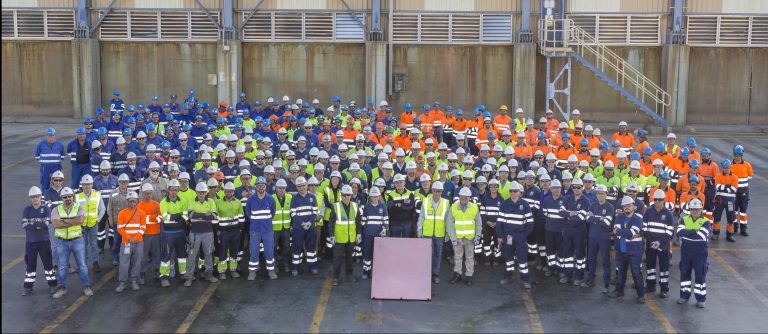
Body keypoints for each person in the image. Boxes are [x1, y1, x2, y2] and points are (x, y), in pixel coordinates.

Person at [51, 187, 93, 299]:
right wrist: (72, 221)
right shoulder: (56, 210)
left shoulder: (79, 207)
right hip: (62, 242)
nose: (68, 198)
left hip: (77, 241)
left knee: (82, 265)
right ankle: (62, 288)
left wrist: (63, 221)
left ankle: (86, 286)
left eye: (70, 196)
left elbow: (80, 221)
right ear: (61, 198)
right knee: (63, 266)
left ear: (72, 197)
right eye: (65, 197)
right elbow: (55, 224)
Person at [22, 186, 58, 296]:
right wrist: (39, 225)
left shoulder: (46, 209)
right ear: (30, 198)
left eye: (36, 196)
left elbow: (47, 223)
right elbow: (24, 225)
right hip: (30, 243)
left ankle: (53, 285)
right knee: (30, 265)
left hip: (44, 242)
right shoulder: (26, 210)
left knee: (48, 264)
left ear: (40, 197)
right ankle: (28, 287)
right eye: (32, 197)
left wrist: (33, 224)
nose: (35, 199)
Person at [497, 181, 534, 288]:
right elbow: (500, 222)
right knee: (508, 257)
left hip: (520, 235)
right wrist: (500, 235)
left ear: (519, 192)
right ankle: (507, 276)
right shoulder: (504, 204)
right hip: (508, 235)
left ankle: (525, 279)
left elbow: (530, 222)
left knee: (522, 258)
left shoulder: (525, 204)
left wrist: (524, 235)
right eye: (511, 191)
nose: (513, 193)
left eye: (515, 191)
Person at [610, 196, 645, 303]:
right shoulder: (619, 217)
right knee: (620, 272)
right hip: (621, 250)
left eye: (629, 205)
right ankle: (619, 291)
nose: (627, 208)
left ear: (634, 207)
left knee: (636, 273)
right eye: (625, 206)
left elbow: (630, 233)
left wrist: (623, 232)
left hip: (634, 251)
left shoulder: (638, 219)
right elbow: (616, 231)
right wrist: (628, 233)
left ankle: (641, 295)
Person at [676, 198, 710, 308]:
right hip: (686, 252)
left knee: (700, 275)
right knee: (684, 273)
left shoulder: (706, 222)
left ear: (701, 210)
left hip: (700, 253)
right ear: (690, 209)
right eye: (692, 209)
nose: (694, 211)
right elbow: (679, 232)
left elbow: (702, 235)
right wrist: (694, 231)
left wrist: (688, 233)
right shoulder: (684, 219)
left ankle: (701, 299)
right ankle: (684, 296)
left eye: (697, 209)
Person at [184, 182, 219, 286]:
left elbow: (214, 216)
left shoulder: (211, 201)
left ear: (206, 192)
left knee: (208, 253)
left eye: (203, 192)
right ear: (196, 192)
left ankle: (209, 274)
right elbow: (190, 215)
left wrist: (198, 215)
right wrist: (205, 214)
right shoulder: (191, 201)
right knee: (191, 255)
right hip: (195, 233)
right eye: (200, 192)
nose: (201, 194)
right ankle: (189, 277)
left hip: (208, 232)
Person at [446, 187, 482, 286]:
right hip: (458, 238)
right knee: (457, 257)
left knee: (470, 258)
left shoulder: (474, 207)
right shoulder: (453, 207)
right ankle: (457, 274)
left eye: (466, 197)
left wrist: (478, 236)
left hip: (470, 239)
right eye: (462, 196)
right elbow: (449, 223)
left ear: (469, 198)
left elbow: (478, 223)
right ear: (459, 196)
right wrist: (453, 238)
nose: (464, 198)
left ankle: (469, 276)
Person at [643, 189, 675, 298]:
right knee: (650, 266)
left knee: (664, 268)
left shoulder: (668, 214)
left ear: (664, 200)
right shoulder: (648, 212)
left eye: (660, 200)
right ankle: (651, 285)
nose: (657, 202)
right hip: (651, 245)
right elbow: (644, 228)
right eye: (655, 200)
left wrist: (659, 242)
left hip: (663, 246)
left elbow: (670, 232)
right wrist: (652, 242)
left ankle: (664, 288)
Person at [417, 181, 451, 284]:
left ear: (442, 192)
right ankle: (425, 273)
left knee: (437, 254)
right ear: (432, 191)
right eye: (435, 191)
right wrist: (419, 228)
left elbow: (448, 219)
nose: (437, 193)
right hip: (427, 232)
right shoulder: (426, 201)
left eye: (439, 191)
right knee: (426, 255)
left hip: (439, 234)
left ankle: (435, 274)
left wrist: (448, 232)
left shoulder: (446, 202)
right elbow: (422, 216)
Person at [245, 176, 278, 280]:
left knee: (269, 251)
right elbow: (248, 213)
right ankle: (252, 272)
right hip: (255, 230)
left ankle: (271, 270)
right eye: (259, 185)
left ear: (265, 186)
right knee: (254, 250)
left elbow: (272, 213)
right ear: (256, 187)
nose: (261, 187)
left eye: (262, 185)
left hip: (267, 229)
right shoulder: (250, 200)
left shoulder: (271, 199)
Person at [559, 177, 591, 285]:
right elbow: (560, 212)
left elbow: (581, 217)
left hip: (579, 230)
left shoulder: (585, 201)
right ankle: (568, 275)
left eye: (579, 187)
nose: (576, 189)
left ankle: (578, 276)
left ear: (582, 188)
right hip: (568, 229)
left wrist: (568, 214)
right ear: (572, 188)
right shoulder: (567, 198)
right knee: (567, 253)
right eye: (574, 187)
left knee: (580, 254)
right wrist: (571, 213)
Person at [158, 179, 189, 287]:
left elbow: (186, 216)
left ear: (178, 190)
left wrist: (174, 216)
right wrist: (178, 216)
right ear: (168, 190)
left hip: (180, 233)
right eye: (172, 190)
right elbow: (166, 219)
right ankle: (164, 276)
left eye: (176, 190)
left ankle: (183, 273)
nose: (174, 192)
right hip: (168, 234)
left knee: (182, 255)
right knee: (166, 255)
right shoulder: (163, 202)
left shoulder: (184, 201)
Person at [585, 184, 614, 292]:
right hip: (592, 237)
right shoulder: (592, 205)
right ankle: (591, 279)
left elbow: (607, 222)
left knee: (606, 261)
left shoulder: (610, 207)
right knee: (591, 259)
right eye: (598, 193)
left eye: (602, 193)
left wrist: (594, 217)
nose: (600, 195)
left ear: (606, 194)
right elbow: (587, 218)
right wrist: (600, 218)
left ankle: (606, 284)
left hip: (604, 239)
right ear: (596, 194)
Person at [115, 191, 146, 293]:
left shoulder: (141, 213)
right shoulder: (122, 213)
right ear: (127, 201)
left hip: (138, 242)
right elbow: (120, 228)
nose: (132, 203)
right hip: (126, 243)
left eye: (134, 201)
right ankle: (123, 282)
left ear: (137, 201)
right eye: (130, 201)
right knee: (124, 262)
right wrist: (129, 238)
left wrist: (135, 238)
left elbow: (143, 227)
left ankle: (134, 281)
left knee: (137, 262)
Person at [289, 176, 320, 276]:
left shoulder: (312, 197)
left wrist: (310, 223)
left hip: (311, 228)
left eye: (303, 185)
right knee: (297, 248)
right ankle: (295, 268)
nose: (301, 188)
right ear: (296, 187)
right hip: (298, 228)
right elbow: (293, 214)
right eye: (299, 186)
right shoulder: (294, 199)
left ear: (306, 185)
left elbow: (315, 212)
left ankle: (313, 267)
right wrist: (302, 223)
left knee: (311, 249)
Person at [75, 175, 105, 274]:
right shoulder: (77, 197)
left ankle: (95, 263)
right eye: (85, 184)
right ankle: (83, 264)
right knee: (82, 245)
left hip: (93, 224)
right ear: (82, 185)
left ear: (92, 185)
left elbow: (102, 209)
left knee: (93, 244)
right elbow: (75, 211)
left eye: (89, 184)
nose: (88, 186)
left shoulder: (97, 195)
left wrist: (98, 220)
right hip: (82, 225)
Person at [215, 182, 244, 280]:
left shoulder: (238, 202)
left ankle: (233, 270)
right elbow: (215, 218)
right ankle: (222, 271)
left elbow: (241, 217)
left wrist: (240, 229)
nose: (229, 193)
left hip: (235, 231)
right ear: (224, 192)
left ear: (233, 192)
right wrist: (218, 230)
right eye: (227, 191)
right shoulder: (218, 202)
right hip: (223, 232)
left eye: (231, 191)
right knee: (222, 251)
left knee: (234, 251)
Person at [137, 183, 162, 285]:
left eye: (150, 193)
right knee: (144, 255)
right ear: (142, 193)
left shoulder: (156, 204)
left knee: (157, 254)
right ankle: (142, 274)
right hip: (145, 234)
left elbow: (160, 218)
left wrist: (148, 217)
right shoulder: (139, 206)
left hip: (156, 233)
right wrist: (153, 217)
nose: (148, 195)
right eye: (146, 193)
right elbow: (141, 220)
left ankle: (157, 270)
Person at [107, 174, 131, 266]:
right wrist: (111, 220)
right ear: (118, 183)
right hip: (118, 222)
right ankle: (116, 257)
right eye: (121, 182)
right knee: (117, 240)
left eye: (125, 182)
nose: (123, 184)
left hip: (129, 222)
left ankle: (127, 257)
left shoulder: (131, 193)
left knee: (127, 241)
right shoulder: (113, 193)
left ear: (128, 183)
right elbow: (110, 208)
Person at [480, 179, 504, 266]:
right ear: (489, 187)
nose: (493, 188)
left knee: (497, 242)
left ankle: (497, 259)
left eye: (495, 186)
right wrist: (487, 221)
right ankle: (487, 258)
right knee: (486, 241)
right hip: (487, 224)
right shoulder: (485, 198)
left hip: (497, 225)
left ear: (498, 188)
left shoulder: (501, 199)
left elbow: (502, 214)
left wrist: (496, 223)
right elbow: (482, 211)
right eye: (491, 186)